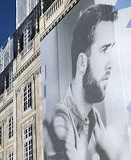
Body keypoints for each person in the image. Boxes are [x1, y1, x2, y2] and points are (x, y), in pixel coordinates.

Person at [44, 4, 118, 160]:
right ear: (82, 63)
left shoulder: (94, 117)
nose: (111, 64)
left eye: (112, 50)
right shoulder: (59, 119)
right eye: (104, 50)